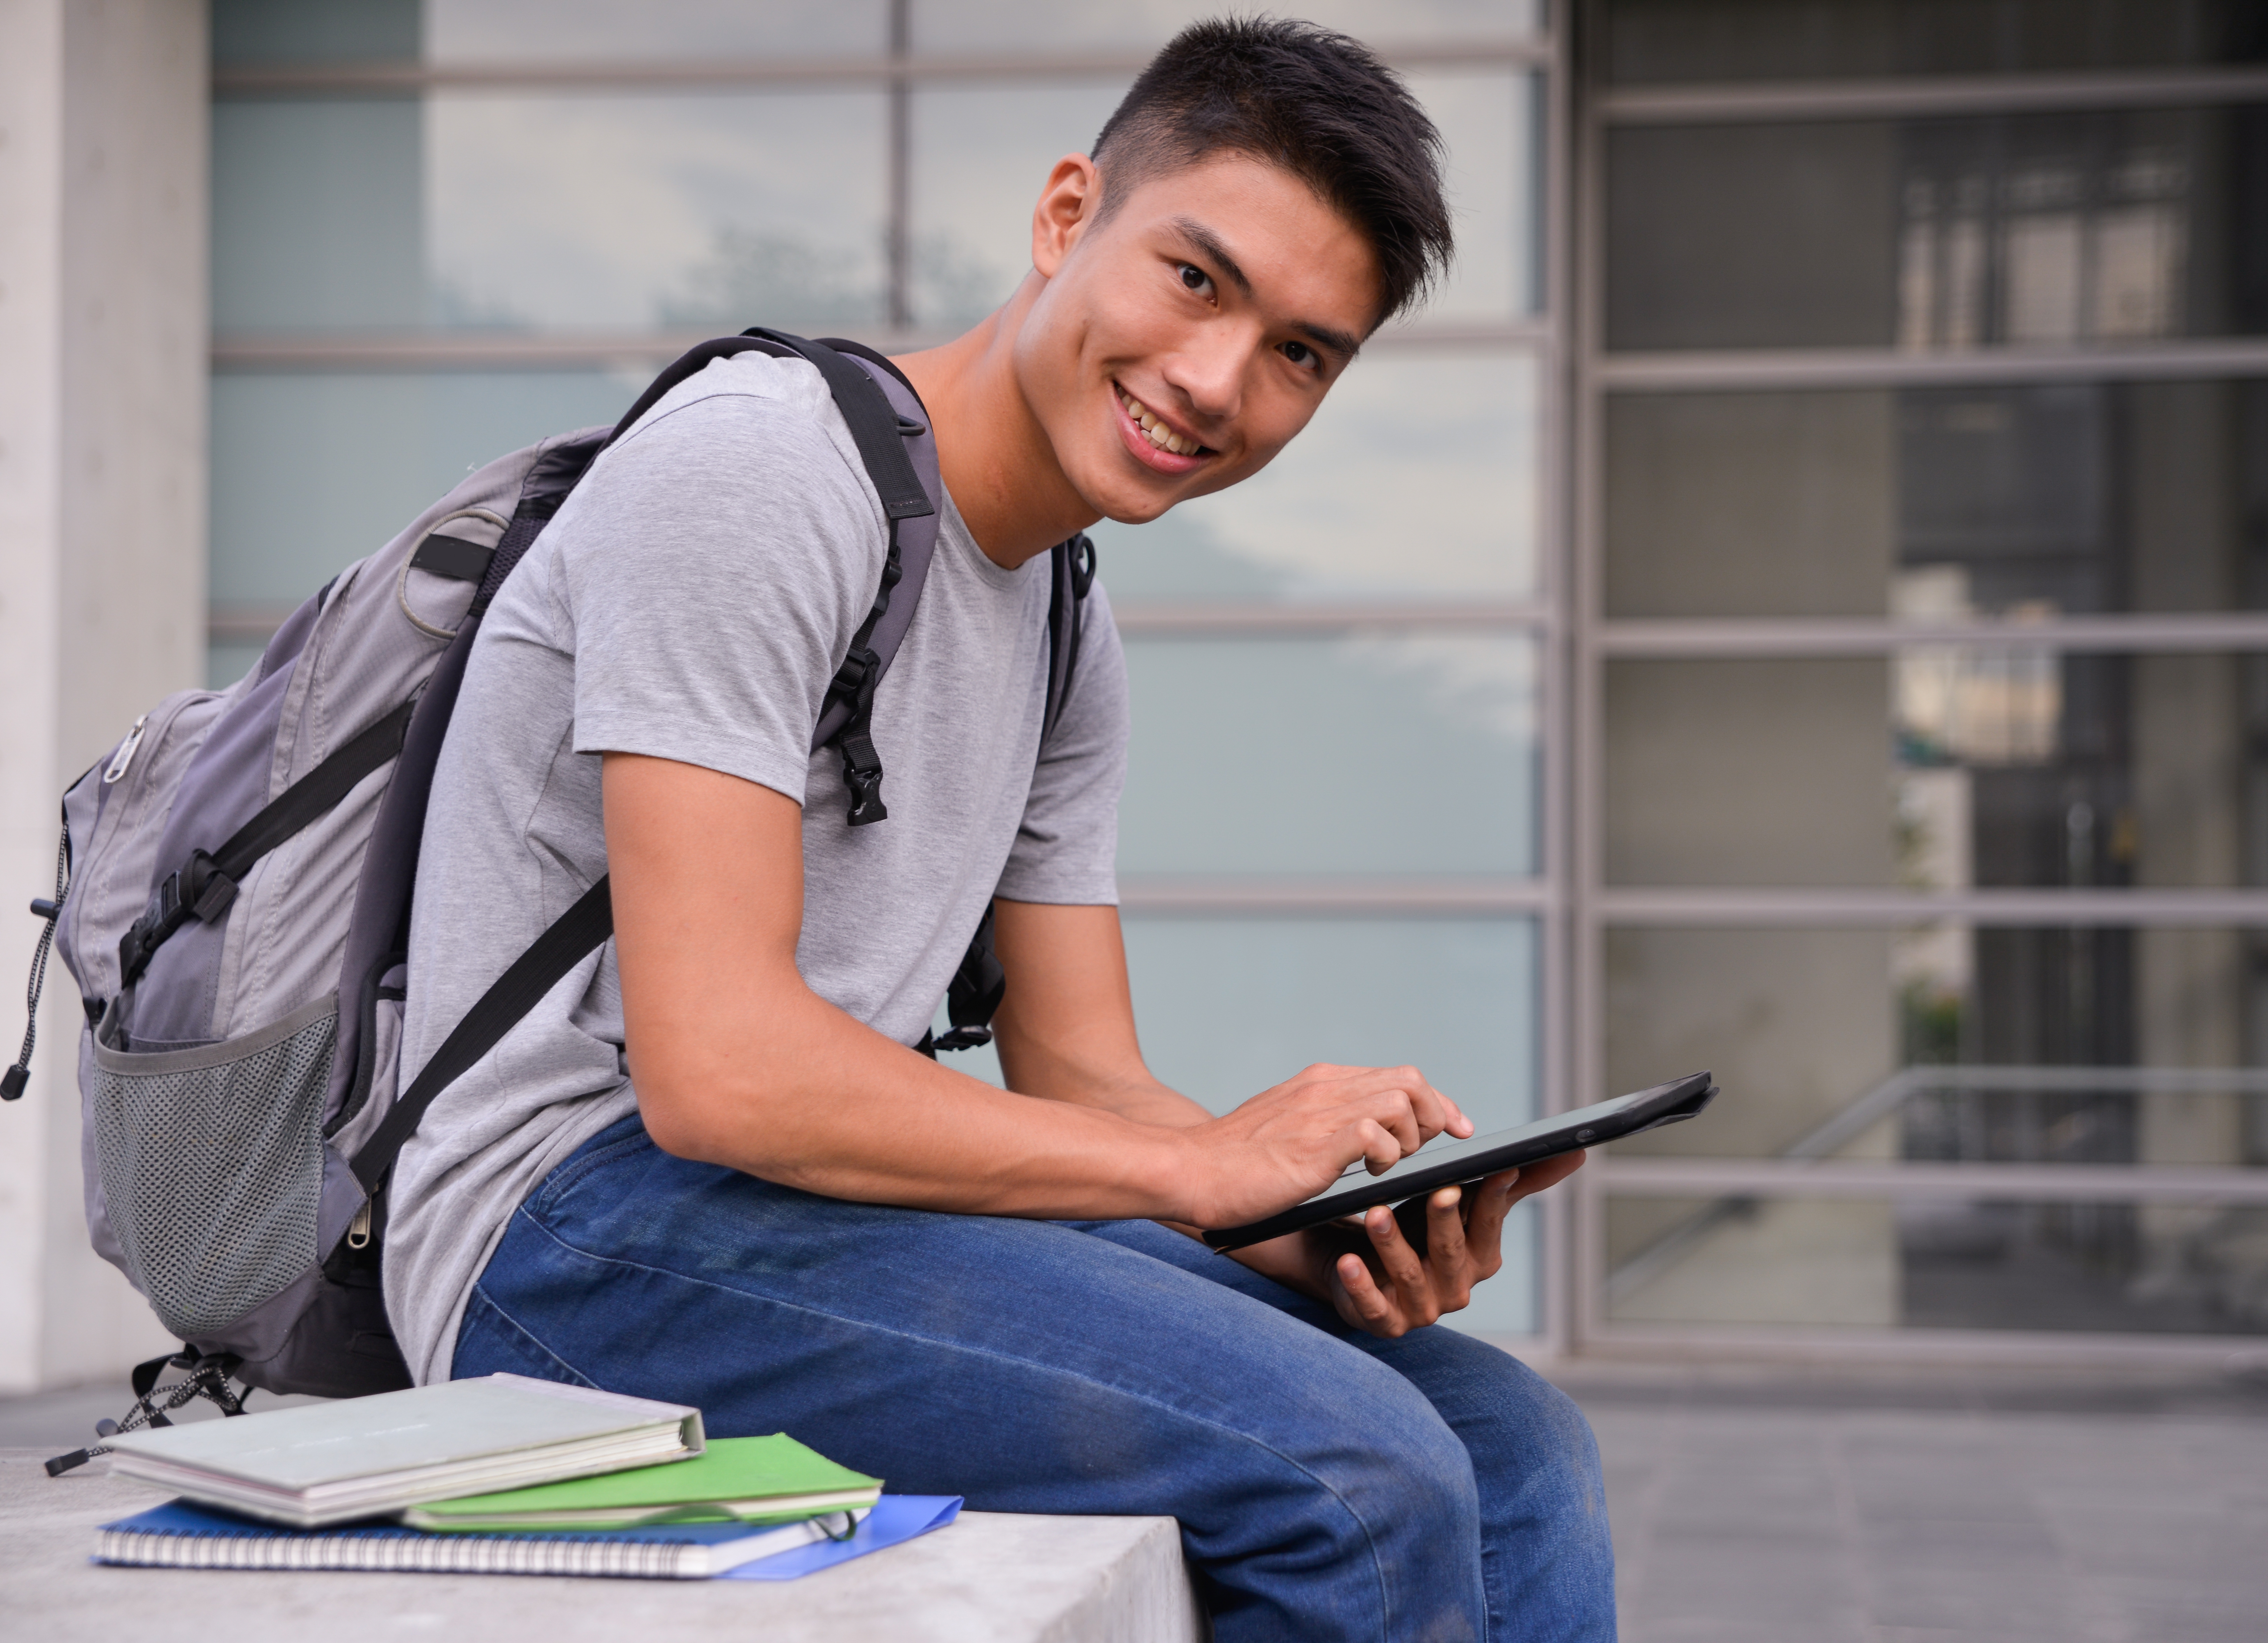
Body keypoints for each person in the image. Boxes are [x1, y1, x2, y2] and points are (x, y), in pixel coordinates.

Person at [391, 17, 1612, 1640]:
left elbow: (1083, 1078)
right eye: (1196, 278)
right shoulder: (765, 471)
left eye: (1301, 353)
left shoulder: (1056, 624)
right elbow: (721, 1070)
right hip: (560, 1235)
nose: (1216, 381)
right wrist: (1198, 1169)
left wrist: (1285, 1232)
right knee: (1354, 1466)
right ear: (1062, 218)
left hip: (811, 1210)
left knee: (1509, 1441)